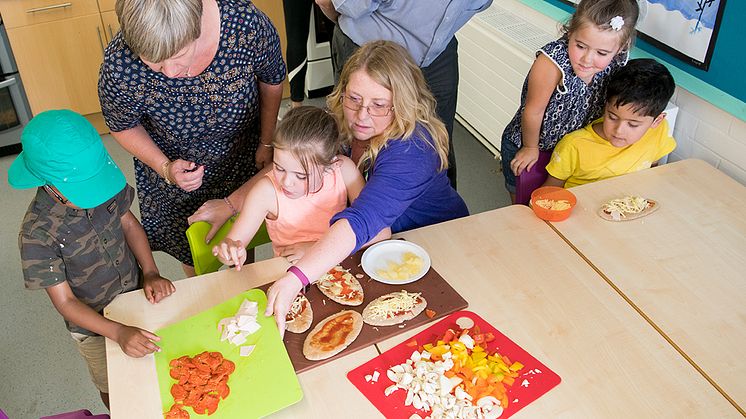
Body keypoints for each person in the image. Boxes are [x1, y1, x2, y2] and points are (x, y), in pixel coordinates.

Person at [262, 40, 469, 334]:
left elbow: (363, 219)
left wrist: (298, 276)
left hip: (438, 244)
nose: (361, 116)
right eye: (353, 99)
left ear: (404, 103)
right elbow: (296, 161)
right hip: (382, 244)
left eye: (379, 106)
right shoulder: (343, 121)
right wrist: (232, 203)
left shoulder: (413, 148)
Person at [98, 0, 286, 276]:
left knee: (244, 233)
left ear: (197, 25)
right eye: (155, 63)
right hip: (174, 166)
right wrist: (165, 167)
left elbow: (271, 80)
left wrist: (266, 142)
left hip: (243, 150)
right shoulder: (120, 62)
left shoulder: (244, 23)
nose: (172, 73)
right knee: (194, 250)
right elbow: (122, 124)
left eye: (179, 56)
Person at [8, 110, 175, 408]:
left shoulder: (104, 187)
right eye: (84, 190)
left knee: (156, 369)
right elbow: (66, 303)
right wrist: (117, 332)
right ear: (50, 184)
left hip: (137, 297)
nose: (96, 195)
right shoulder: (37, 235)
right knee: (113, 386)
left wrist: (150, 271)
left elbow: (129, 224)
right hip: (93, 329)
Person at [315, 0, 494, 189]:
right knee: (360, 135)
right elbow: (334, 3)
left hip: (436, 53)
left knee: (438, 144)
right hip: (371, 50)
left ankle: (443, 216)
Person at [501, 0, 639, 204]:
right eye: (580, 46)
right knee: (525, 207)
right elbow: (533, 111)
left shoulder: (618, 61)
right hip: (533, 145)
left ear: (621, 48)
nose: (587, 59)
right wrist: (531, 148)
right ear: (570, 32)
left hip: (570, 152)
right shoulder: (551, 62)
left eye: (601, 53)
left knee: (558, 205)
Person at [213, 106, 368, 266]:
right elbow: (235, 241)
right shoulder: (265, 192)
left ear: (330, 165)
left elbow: (372, 230)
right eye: (279, 167)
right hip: (288, 272)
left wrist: (316, 248)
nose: (286, 182)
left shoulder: (344, 171)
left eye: (301, 176)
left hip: (338, 263)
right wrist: (229, 251)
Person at [543, 59, 676, 188]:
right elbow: (549, 193)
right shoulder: (574, 145)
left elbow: (652, 169)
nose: (619, 131)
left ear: (657, 121)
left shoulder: (659, 131)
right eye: (612, 117)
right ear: (605, 106)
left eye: (633, 125)